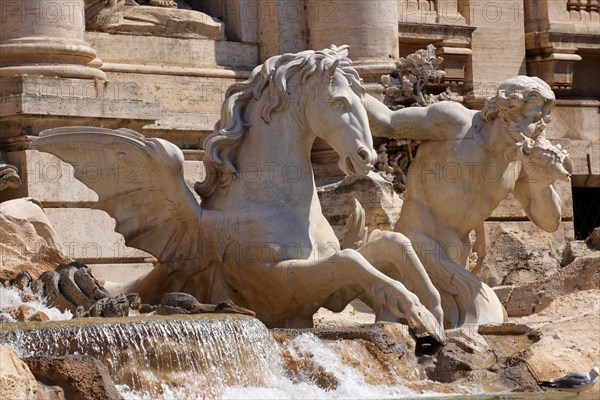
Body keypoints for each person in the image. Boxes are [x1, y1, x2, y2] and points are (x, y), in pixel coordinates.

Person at [365, 76, 572, 328]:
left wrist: (542, 180)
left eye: (544, 119)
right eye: (533, 116)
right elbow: (386, 121)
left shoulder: (518, 161)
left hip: (455, 257)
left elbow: (550, 223)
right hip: (415, 242)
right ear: (507, 112)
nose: (540, 126)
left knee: (480, 321)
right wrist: (342, 88)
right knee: (481, 316)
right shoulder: (454, 123)